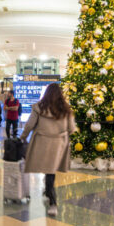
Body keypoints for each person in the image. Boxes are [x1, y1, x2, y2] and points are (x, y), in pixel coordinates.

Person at [20, 83, 76, 216]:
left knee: (47, 169)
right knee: (51, 171)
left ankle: (52, 201)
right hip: (59, 144)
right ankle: (50, 197)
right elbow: (72, 129)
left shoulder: (39, 107)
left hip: (42, 142)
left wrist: (23, 137)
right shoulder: (66, 109)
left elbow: (29, 125)